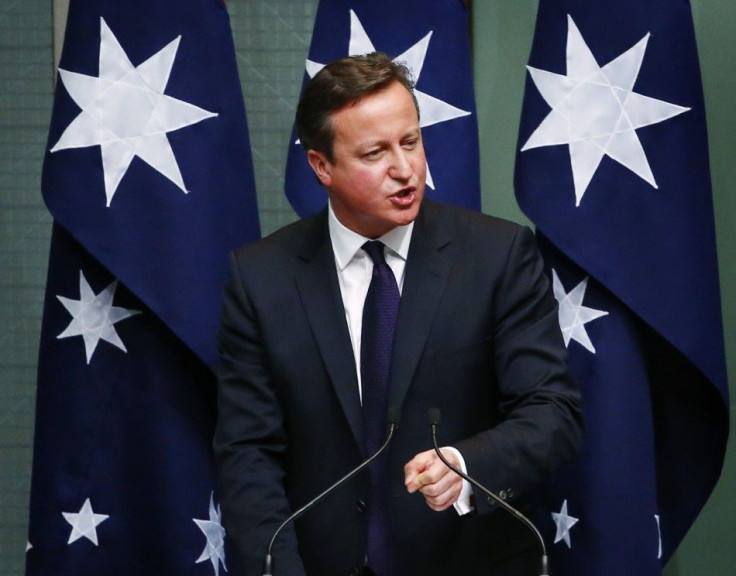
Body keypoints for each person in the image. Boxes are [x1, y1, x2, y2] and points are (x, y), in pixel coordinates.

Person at [214, 52, 582, 576]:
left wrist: (467, 465)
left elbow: (553, 413)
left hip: (469, 560)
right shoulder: (261, 279)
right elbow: (248, 452)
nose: (404, 169)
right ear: (322, 166)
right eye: (374, 153)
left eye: (410, 142)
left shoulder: (497, 256)